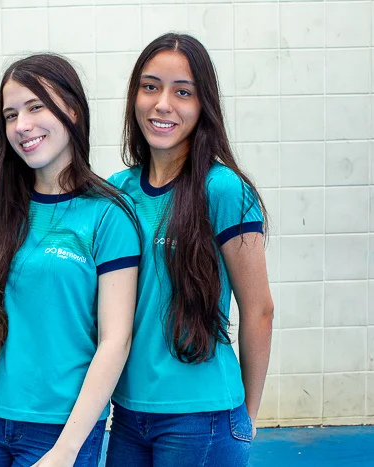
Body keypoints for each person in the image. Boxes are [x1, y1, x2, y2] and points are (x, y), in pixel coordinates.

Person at [0, 53, 141, 467]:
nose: (21, 126)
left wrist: (67, 448)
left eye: (35, 107)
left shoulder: (109, 215)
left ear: (73, 111)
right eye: (10, 115)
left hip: (60, 427)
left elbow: (116, 340)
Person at [105, 33, 274, 467]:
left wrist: (248, 415)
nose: (162, 104)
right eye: (150, 87)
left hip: (203, 418)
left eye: (183, 92)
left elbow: (259, 310)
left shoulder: (223, 189)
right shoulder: (119, 191)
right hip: (128, 414)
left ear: (203, 106)